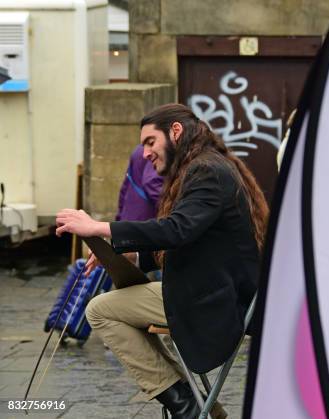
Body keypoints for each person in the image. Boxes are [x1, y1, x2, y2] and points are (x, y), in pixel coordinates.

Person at [56, 104, 269, 418]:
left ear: (176, 132)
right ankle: (195, 405)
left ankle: (189, 408)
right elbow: (190, 240)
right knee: (107, 307)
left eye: (150, 142)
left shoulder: (206, 170)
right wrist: (128, 255)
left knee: (100, 310)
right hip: (212, 292)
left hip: (218, 302)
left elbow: (177, 229)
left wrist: (98, 227)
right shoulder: (208, 165)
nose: (144, 153)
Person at [116, 144, 163, 222]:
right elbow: (152, 182)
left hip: (129, 217)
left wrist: (119, 216)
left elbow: (124, 188)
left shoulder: (139, 149)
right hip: (145, 219)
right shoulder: (157, 152)